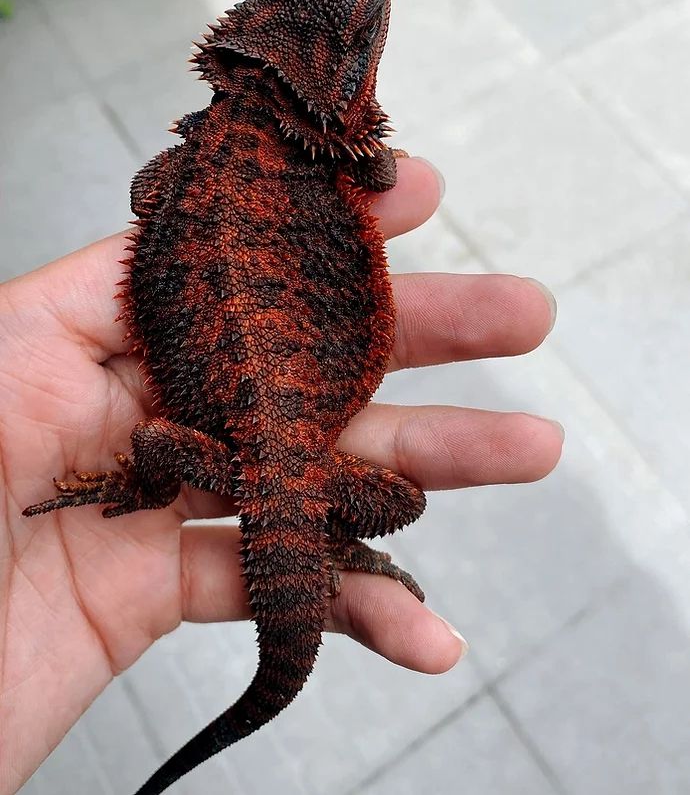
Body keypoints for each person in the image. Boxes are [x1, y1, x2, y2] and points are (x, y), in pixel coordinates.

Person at [0, 158, 563, 790]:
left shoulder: (199, 156)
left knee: (165, 445)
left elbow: (143, 190)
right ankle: (326, 541)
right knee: (401, 501)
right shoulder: (334, 149)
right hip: (283, 421)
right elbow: (377, 173)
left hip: (254, 429)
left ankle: (175, 499)